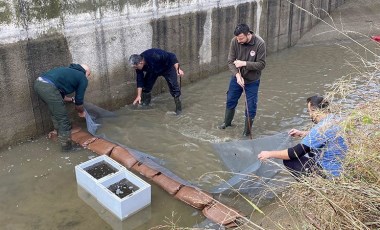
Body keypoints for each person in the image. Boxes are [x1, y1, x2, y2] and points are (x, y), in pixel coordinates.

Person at [258, 95, 348, 178]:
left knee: (290, 161)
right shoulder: (336, 119)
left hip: (330, 174)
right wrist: (302, 133)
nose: (310, 115)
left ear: (315, 110)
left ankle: (315, 183)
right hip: (343, 167)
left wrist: (269, 154)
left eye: (309, 111)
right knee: (312, 151)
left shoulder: (320, 128)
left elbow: (295, 153)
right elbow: (325, 135)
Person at [218, 23, 266, 137]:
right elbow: (230, 61)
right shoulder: (235, 41)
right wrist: (237, 76)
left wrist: (244, 63)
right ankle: (227, 123)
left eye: (241, 38)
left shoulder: (260, 43)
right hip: (237, 78)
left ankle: (246, 132)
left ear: (248, 34)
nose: (239, 41)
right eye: (237, 39)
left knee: (250, 106)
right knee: (230, 99)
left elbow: (261, 65)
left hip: (252, 80)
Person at [34, 63, 91, 152]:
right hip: (48, 88)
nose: (88, 76)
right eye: (89, 74)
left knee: (55, 112)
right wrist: (81, 112)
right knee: (63, 119)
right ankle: (67, 147)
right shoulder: (82, 77)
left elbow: (61, 96)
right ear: (86, 72)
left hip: (39, 84)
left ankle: (58, 133)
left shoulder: (68, 72)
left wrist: (72, 99)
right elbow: (79, 101)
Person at [129, 48, 185, 115]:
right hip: (153, 71)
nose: (135, 69)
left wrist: (178, 69)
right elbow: (140, 80)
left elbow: (172, 56)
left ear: (141, 62)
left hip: (167, 68)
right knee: (146, 87)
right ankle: (145, 105)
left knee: (174, 88)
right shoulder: (139, 66)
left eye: (136, 67)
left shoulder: (154, 55)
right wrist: (138, 95)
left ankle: (179, 110)